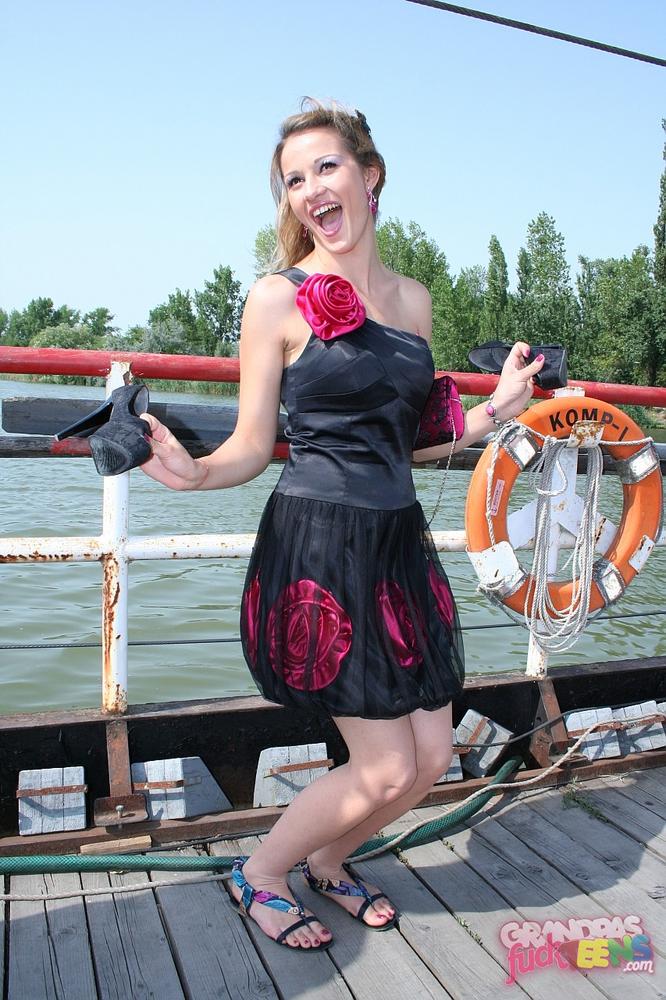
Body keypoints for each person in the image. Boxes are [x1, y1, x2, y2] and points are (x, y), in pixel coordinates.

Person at [140, 99, 544, 951]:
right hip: (321, 545)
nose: (311, 189)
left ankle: (329, 862)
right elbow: (254, 445)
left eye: (326, 167)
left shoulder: (414, 301)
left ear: (369, 174)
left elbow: (412, 444)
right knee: (387, 764)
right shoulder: (274, 299)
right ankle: (261, 873)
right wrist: (196, 472)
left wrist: (498, 408)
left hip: (397, 546)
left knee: (429, 758)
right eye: (294, 179)